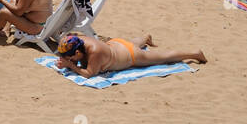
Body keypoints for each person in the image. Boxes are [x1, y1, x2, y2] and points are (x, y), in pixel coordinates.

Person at [53, 32, 205, 77]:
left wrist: (70, 65)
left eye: (70, 57)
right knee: (132, 44)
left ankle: (195, 53)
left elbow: (88, 73)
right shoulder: (78, 39)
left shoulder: (95, 52)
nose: (69, 60)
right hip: (117, 44)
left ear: (77, 52)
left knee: (164, 57)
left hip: (132, 56)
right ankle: (145, 38)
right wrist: (69, 61)